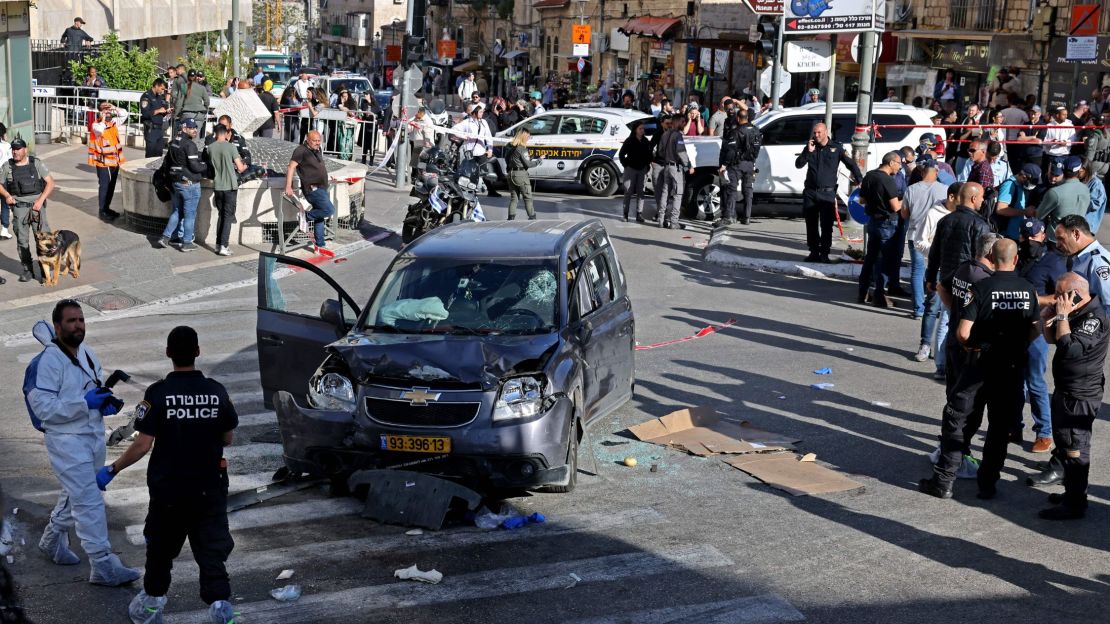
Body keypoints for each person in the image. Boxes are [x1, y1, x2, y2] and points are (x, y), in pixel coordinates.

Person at [104, 326, 239, 622]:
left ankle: (151, 606)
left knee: (161, 551)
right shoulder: (216, 391)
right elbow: (227, 438)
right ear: (198, 352)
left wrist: (112, 469)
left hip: (169, 491)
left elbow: (142, 445)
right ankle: (221, 610)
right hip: (208, 489)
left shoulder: (158, 393)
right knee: (211, 550)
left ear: (168, 354)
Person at [24, 299, 141, 585]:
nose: (78, 325)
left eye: (81, 320)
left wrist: (103, 403)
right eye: (71, 321)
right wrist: (84, 403)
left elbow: (90, 391)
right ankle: (102, 564)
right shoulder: (47, 362)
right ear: (57, 326)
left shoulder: (88, 353)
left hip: (91, 437)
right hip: (66, 442)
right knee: (89, 500)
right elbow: (44, 410)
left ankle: (51, 541)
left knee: (78, 493)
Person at [920, 237, 1037, 499]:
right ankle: (988, 484)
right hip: (1010, 368)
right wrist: (1016, 346)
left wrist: (973, 345)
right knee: (998, 428)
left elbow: (962, 332)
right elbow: (1035, 329)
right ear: (1016, 260)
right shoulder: (1027, 289)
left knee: (957, 421)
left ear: (992, 260)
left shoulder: (981, 287)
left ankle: (944, 481)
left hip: (978, 365)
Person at [1034, 273, 1110, 520]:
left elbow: (1070, 348)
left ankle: (1076, 504)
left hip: (1080, 395)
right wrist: (1048, 319)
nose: (1056, 298)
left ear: (1075, 294)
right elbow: (1052, 338)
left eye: (1060, 293)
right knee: (1066, 444)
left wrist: (1063, 316)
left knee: (1075, 448)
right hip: (1066, 390)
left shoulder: (1093, 318)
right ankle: (1071, 494)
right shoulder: (1076, 310)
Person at [1016, 217, 1067, 454]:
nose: (1027, 241)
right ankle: (1013, 426)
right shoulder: (1016, 257)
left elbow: (1062, 298)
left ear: (1042, 236)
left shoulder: (1054, 261)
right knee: (1013, 382)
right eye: (1024, 237)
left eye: (1033, 236)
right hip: (1010, 328)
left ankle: (1044, 433)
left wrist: (1033, 299)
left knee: (1035, 382)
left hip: (1036, 329)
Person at [910, 181, 962, 376]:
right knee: (933, 308)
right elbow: (919, 241)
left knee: (949, 315)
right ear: (951, 197)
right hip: (939, 268)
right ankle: (925, 344)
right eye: (961, 198)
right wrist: (938, 252)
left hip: (957, 271)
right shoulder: (934, 214)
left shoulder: (962, 214)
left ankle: (943, 357)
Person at [795, 121, 863, 262]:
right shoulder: (810, 147)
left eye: (819, 132)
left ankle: (824, 253)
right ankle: (814, 252)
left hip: (827, 193)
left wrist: (860, 179)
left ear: (826, 132)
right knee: (811, 224)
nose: (816, 135)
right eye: (815, 133)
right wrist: (808, 151)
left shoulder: (836, 148)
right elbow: (798, 164)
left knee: (826, 226)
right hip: (811, 192)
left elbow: (850, 163)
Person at [0, 139, 55, 283]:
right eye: (13, 149)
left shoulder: (36, 163)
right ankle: (28, 269)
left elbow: (50, 182)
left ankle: (45, 271)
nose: (15, 151)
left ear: (25, 150)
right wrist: (6, 195)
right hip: (19, 209)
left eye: (18, 149)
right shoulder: (8, 166)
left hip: (37, 208)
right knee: (22, 241)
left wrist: (41, 200)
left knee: (44, 239)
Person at [903, 158, 951, 322]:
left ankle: (918, 309)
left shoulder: (911, 189)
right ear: (937, 172)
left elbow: (904, 214)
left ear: (922, 172)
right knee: (937, 270)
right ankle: (935, 306)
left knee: (917, 271)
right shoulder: (945, 189)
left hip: (916, 235)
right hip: (937, 236)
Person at [857, 152, 905, 308]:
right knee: (884, 261)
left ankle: (862, 292)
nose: (900, 167)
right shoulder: (888, 180)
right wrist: (907, 198)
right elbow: (896, 206)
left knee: (870, 258)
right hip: (887, 223)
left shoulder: (869, 175)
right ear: (891, 163)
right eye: (899, 163)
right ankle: (879, 295)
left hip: (873, 221)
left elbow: (862, 199)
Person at [156, 119, 206, 251]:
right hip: (189, 185)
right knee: (190, 215)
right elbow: (195, 166)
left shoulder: (173, 143)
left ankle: (165, 238)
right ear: (184, 129)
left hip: (175, 183)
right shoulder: (190, 145)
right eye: (191, 127)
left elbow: (166, 163)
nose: (195, 130)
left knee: (177, 211)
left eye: (195, 127)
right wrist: (206, 166)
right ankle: (187, 242)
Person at [284, 131, 336, 257]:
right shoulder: (300, 150)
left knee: (320, 217)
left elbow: (317, 167)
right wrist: (288, 186)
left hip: (322, 187)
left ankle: (319, 245)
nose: (318, 143)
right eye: (315, 140)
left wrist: (328, 178)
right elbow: (291, 167)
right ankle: (305, 216)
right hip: (312, 189)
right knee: (329, 210)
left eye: (319, 140)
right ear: (307, 139)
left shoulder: (316, 150)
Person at [1053, 214, 1110, 316]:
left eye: (1061, 239)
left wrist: (1102, 331)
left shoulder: (1097, 262)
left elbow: (1108, 304)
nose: (1057, 245)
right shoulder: (1081, 257)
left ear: (1076, 234)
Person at [205, 125, 247, 257]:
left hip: (218, 186)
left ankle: (218, 245)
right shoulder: (231, 147)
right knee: (228, 217)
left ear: (215, 133)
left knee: (221, 215)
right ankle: (224, 246)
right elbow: (240, 168)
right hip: (229, 186)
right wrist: (245, 165)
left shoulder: (210, 148)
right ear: (226, 133)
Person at [717, 106, 760, 227]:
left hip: (736, 165)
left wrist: (724, 165)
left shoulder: (736, 132)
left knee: (732, 189)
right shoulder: (756, 130)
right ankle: (747, 217)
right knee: (748, 190)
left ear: (738, 118)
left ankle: (729, 216)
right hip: (750, 164)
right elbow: (757, 148)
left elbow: (731, 151)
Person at [1037, 155, 1091, 243]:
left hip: (1056, 241)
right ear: (1078, 171)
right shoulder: (1086, 189)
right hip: (1077, 240)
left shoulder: (1055, 192)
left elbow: (1038, 215)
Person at [87, 100, 127, 221]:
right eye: (105, 109)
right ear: (100, 112)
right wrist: (103, 118)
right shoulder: (96, 124)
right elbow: (99, 130)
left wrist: (114, 107)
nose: (108, 111)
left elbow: (125, 114)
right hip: (103, 162)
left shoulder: (113, 123)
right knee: (104, 186)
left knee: (111, 187)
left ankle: (107, 208)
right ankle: (102, 210)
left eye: (108, 109)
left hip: (114, 161)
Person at [656, 112, 694, 230]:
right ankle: (674, 222)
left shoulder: (665, 134)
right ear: (678, 122)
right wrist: (689, 166)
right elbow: (681, 152)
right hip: (675, 168)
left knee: (665, 192)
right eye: (683, 122)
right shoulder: (677, 135)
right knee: (678, 194)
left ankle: (661, 219)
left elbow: (660, 151)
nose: (684, 124)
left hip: (666, 166)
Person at [994, 163, 1041, 240]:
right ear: (1024, 177)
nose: (1033, 185)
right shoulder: (1009, 185)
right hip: (1005, 235)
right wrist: (1024, 212)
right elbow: (1000, 209)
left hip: (1015, 234)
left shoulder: (1020, 186)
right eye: (1032, 182)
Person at [504, 128, 542, 220]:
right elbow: (528, 164)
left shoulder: (510, 148)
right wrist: (539, 159)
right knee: (527, 197)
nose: (529, 138)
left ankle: (510, 218)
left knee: (514, 198)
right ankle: (532, 217)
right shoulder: (522, 149)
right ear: (524, 137)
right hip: (521, 175)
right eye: (528, 136)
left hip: (511, 174)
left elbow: (507, 160)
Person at [618, 122, 651, 223]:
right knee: (628, 191)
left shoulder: (646, 141)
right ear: (635, 130)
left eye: (643, 129)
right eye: (640, 128)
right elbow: (622, 154)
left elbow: (649, 155)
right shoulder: (629, 140)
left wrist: (647, 165)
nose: (642, 130)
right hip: (631, 169)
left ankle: (639, 214)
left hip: (642, 169)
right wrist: (626, 165)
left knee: (641, 192)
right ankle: (625, 214)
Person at [140, 79, 171, 158]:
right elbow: (145, 113)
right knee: (150, 155)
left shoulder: (159, 97)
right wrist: (158, 110)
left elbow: (161, 113)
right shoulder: (146, 96)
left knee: (158, 156)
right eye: (162, 89)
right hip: (151, 129)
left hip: (159, 130)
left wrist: (166, 111)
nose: (162, 91)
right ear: (156, 86)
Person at [179, 70, 211, 141]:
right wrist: (204, 109)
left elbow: (179, 101)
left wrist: (178, 112)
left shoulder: (184, 86)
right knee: (195, 138)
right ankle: (194, 151)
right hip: (198, 115)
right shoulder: (202, 87)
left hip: (186, 114)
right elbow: (207, 101)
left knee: (184, 137)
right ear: (196, 77)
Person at [1044, 104, 1076, 173]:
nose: (1066, 116)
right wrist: (1051, 141)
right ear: (1057, 115)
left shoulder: (1070, 126)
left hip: (1063, 156)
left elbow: (1073, 140)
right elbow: (1044, 140)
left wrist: (1065, 142)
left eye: (1066, 114)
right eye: (1064, 114)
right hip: (1050, 156)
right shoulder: (1048, 126)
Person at [955, 104, 984, 176]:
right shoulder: (963, 120)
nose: (970, 112)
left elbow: (976, 138)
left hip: (971, 155)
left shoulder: (976, 122)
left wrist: (978, 132)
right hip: (962, 153)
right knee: (959, 175)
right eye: (969, 110)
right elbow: (961, 138)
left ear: (977, 111)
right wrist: (970, 130)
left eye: (973, 110)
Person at [409, 107, 436, 183]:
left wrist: (427, 144)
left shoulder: (427, 121)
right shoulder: (416, 118)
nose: (415, 114)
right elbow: (409, 127)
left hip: (424, 144)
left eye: (416, 113)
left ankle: (420, 178)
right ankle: (414, 177)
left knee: (421, 163)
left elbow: (428, 134)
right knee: (414, 161)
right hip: (416, 143)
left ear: (421, 113)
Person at [1079, 157, 1106, 233]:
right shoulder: (1080, 180)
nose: (1077, 173)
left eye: (1080, 171)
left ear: (1086, 169)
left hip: (1087, 225)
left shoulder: (1096, 184)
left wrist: (1078, 201)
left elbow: (1095, 204)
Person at [0, 122, 10, 241]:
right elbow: (10, 161)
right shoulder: (6, 146)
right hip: (3, 177)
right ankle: (4, 230)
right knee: (5, 204)